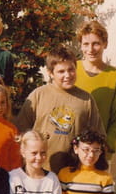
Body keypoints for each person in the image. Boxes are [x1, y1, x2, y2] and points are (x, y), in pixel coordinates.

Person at [14, 45, 104, 173]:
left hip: (73, 171)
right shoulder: (38, 95)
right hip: (40, 170)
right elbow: (21, 132)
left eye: (71, 70)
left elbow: (97, 137)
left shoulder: (86, 100)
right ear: (50, 73)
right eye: (61, 71)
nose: (67, 75)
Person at [74, 20, 116, 157]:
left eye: (96, 43)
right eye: (86, 44)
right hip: (69, 149)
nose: (90, 49)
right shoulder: (71, 70)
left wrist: (107, 145)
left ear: (105, 44)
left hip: (97, 152)